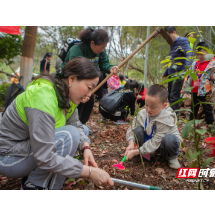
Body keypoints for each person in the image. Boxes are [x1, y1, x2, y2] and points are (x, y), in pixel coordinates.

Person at [0, 57, 114, 190]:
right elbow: (45, 156)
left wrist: (85, 147)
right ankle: (36, 185)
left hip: (26, 150)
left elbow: (76, 124)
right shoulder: (43, 98)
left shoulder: (65, 94)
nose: (89, 95)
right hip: (9, 157)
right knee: (69, 135)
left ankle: (43, 180)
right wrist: (89, 172)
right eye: (89, 88)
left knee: (82, 129)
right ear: (72, 79)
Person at [61, 27, 120, 127]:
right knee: (76, 101)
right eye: (101, 47)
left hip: (86, 81)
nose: (103, 49)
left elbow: (104, 64)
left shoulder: (101, 51)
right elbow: (74, 71)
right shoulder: (77, 49)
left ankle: (82, 125)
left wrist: (111, 69)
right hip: (73, 79)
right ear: (92, 43)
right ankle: (69, 124)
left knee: (89, 99)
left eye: (104, 47)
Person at [125, 84, 182, 169]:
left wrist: (135, 152)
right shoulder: (143, 113)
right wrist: (131, 143)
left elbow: (156, 141)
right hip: (151, 140)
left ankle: (171, 157)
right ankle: (145, 152)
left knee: (169, 140)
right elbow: (132, 127)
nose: (148, 109)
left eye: (153, 107)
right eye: (146, 105)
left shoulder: (167, 119)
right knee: (137, 130)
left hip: (164, 144)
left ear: (164, 106)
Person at [162, 26, 193, 118]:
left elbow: (189, 53)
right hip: (171, 73)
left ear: (174, 32)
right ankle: (173, 115)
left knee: (174, 96)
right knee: (170, 95)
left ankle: (174, 118)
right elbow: (172, 60)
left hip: (179, 72)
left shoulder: (183, 41)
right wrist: (166, 72)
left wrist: (187, 67)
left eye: (169, 35)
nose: (167, 38)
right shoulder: (170, 44)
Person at [181, 42, 215, 125]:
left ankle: (209, 124)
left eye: (201, 54)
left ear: (207, 52)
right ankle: (191, 123)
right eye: (197, 54)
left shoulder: (212, 63)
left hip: (206, 90)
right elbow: (189, 76)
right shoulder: (195, 64)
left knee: (206, 107)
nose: (199, 56)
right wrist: (186, 89)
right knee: (194, 107)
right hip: (195, 89)